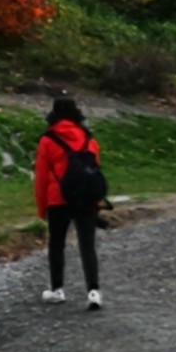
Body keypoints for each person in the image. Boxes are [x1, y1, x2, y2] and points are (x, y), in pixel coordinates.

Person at [34, 95, 103, 310]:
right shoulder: (89, 139)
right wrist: (97, 201)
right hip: (85, 199)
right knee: (87, 245)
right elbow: (95, 172)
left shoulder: (48, 140)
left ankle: (57, 290)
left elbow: (41, 177)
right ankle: (93, 291)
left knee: (57, 244)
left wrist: (41, 207)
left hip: (58, 198)